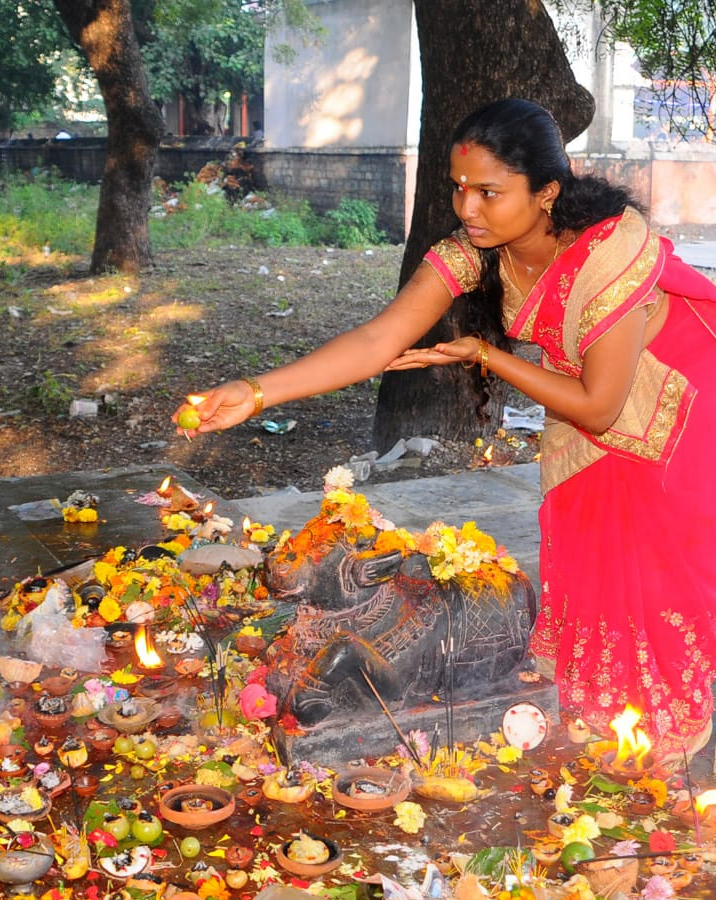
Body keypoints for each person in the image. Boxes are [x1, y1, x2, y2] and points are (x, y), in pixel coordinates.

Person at [176, 97, 716, 760]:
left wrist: (487, 356)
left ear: (546, 192)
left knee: (656, 575)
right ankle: (606, 717)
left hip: (675, 406)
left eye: (490, 193)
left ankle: (671, 739)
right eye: (460, 189)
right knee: (593, 558)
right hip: (584, 407)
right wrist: (256, 392)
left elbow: (601, 406)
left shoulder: (608, 246)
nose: (468, 210)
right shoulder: (476, 249)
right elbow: (380, 336)